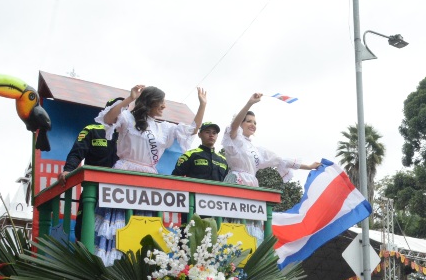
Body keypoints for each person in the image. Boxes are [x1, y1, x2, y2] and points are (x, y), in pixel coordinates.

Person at [94, 85, 207, 265]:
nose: (164, 106)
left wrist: (202, 105)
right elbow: (108, 118)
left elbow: (193, 130)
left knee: (144, 223)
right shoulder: (128, 118)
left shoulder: (165, 128)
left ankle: (139, 269)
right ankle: (112, 265)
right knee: (119, 221)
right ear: (150, 102)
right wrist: (129, 99)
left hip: (148, 178)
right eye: (161, 102)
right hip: (125, 174)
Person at [222, 93, 320, 242]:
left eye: (255, 122)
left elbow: (280, 160)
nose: (253, 124)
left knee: (253, 225)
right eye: (248, 121)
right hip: (236, 181)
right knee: (236, 222)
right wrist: (249, 103)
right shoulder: (234, 139)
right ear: (241, 123)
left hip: (252, 185)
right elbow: (234, 126)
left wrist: (308, 166)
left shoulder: (257, 150)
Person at [57, 97, 123, 241]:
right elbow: (76, 153)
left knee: (116, 234)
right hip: (94, 191)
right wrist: (68, 170)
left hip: (120, 193)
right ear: (108, 111)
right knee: (84, 227)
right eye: (118, 109)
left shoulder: (127, 134)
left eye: (124, 110)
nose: (121, 113)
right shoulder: (92, 130)